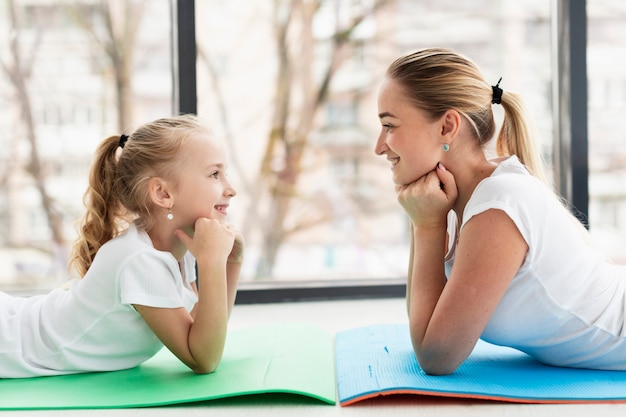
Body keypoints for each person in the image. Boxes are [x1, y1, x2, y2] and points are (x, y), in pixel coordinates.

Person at [375, 47, 626, 375]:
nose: (379, 145)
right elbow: (424, 328)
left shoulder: (499, 204)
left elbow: (436, 356)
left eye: (390, 126)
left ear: (447, 126)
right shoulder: (446, 197)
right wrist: (423, 221)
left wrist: (426, 227)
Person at [0, 114, 243, 378]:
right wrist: (214, 262)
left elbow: (204, 331)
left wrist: (231, 261)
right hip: (10, 343)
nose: (230, 189)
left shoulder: (177, 247)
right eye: (214, 174)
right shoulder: (139, 260)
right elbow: (203, 358)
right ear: (162, 194)